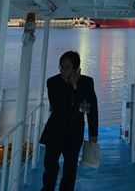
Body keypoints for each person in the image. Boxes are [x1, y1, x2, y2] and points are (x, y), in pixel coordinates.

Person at [40, 50, 98, 191]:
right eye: (61, 67)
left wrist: (93, 134)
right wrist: (72, 87)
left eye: (66, 67)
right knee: (50, 166)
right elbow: (57, 106)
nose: (62, 70)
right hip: (55, 131)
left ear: (76, 68)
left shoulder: (87, 82)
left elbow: (89, 109)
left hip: (74, 133)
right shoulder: (52, 82)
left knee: (70, 169)